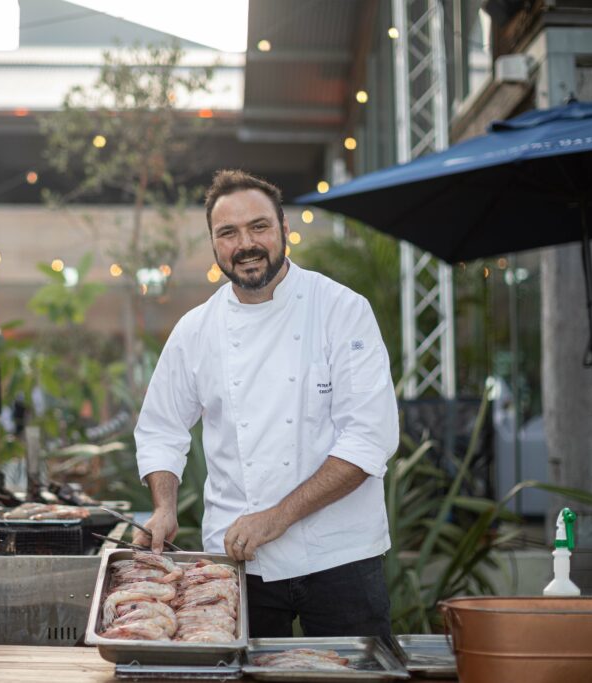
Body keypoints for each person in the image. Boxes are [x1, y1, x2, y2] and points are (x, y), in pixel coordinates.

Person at [134, 170, 399, 639]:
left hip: (341, 556)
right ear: (214, 245)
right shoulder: (196, 330)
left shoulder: (341, 310)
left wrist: (275, 518)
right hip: (237, 562)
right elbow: (161, 429)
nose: (246, 244)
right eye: (228, 233)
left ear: (284, 230)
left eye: (259, 227)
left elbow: (369, 439)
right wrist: (164, 507)